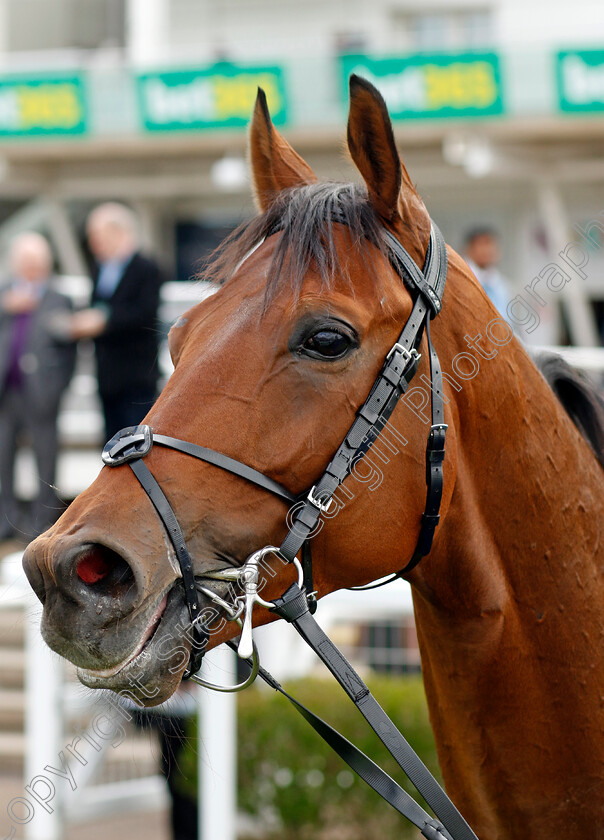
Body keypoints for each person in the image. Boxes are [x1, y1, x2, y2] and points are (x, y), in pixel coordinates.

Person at [0, 232, 76, 539]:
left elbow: (72, 351)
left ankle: (41, 523)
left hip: (43, 394)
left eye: (36, 262)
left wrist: (59, 388)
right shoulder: (4, 294)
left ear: (46, 264)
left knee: (45, 460)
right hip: (6, 391)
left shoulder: (60, 298)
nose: (30, 268)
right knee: (3, 458)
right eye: (25, 262)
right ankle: (6, 521)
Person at [70, 202, 163, 441]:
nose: (93, 242)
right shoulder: (99, 270)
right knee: (110, 444)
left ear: (117, 232)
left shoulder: (147, 268)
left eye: (97, 235)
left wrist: (104, 321)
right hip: (107, 376)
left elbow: (145, 313)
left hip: (137, 376)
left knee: (136, 443)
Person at [464, 227, 510, 315]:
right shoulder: (461, 281)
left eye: (490, 244)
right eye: (482, 244)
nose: (486, 250)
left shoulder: (502, 285)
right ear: (469, 249)